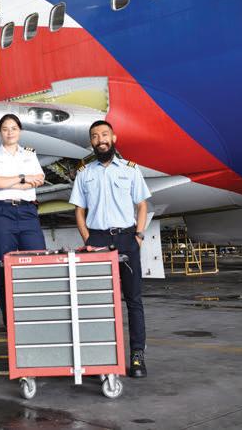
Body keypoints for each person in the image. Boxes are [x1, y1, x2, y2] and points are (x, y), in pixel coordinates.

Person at [69, 120, 151, 378]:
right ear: (91, 142)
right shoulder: (84, 173)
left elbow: (142, 205)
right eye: (95, 136)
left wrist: (138, 236)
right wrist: (88, 239)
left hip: (127, 238)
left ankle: (137, 355)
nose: (100, 140)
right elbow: (79, 210)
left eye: (104, 134)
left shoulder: (131, 170)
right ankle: (100, 356)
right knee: (97, 301)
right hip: (97, 241)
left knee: (133, 300)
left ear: (113, 138)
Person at [0, 114, 46, 326]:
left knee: (38, 262)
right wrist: (22, 178)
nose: (10, 132)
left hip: (28, 212)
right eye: (5, 129)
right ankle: (10, 323)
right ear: (0, 132)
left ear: (20, 131)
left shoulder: (30, 154)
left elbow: (39, 179)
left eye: (13, 128)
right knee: (3, 268)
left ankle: (36, 321)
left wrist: (8, 182)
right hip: (2, 213)